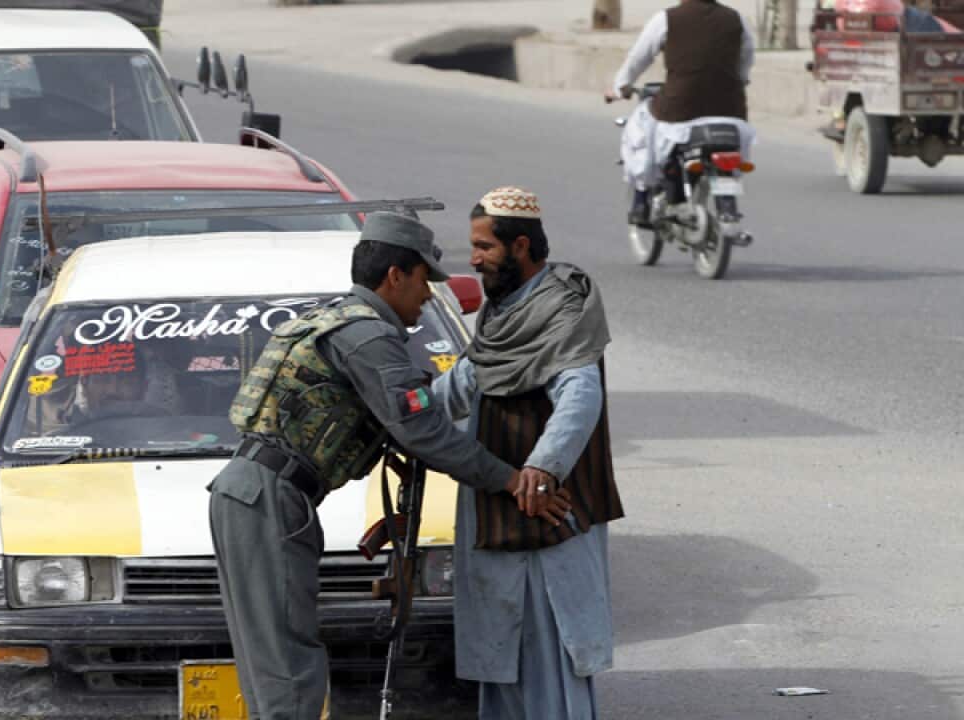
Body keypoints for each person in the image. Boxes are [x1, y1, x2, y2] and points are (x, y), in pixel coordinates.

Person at [208, 212, 550, 720]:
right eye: (423, 281)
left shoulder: (338, 319)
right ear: (395, 276)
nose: (428, 295)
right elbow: (424, 430)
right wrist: (507, 478)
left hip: (254, 492)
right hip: (268, 498)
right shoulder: (368, 336)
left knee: (273, 662)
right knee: (287, 668)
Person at [432, 187, 624, 720]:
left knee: (551, 665)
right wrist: (409, 414)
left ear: (520, 246)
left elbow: (580, 392)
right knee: (504, 666)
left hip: (549, 517)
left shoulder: (561, 308)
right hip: (499, 511)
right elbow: (469, 378)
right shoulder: (503, 310)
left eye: (483, 247)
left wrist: (542, 467)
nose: (473, 260)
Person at [607, 0, 756, 225]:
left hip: (680, 109)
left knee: (639, 125)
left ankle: (640, 199)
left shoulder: (666, 19)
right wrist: (740, 81)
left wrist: (620, 87)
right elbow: (745, 60)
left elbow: (639, 57)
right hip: (730, 109)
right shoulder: (737, 20)